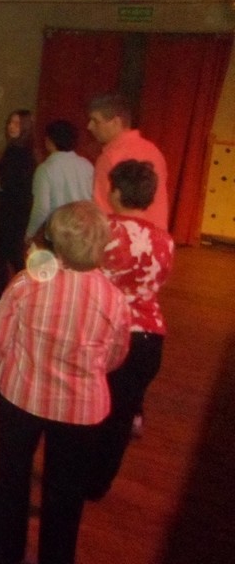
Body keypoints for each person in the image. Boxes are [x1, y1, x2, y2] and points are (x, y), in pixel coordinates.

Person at [0, 201, 130, 564]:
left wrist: (13, 369)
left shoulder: (28, 283)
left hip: (22, 396)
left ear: (55, 240)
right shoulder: (114, 298)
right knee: (66, 492)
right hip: (82, 409)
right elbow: (116, 356)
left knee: (9, 480)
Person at [85, 160, 175, 500]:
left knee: (90, 412)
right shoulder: (165, 240)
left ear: (118, 192)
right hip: (149, 336)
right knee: (121, 418)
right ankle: (98, 483)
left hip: (107, 334)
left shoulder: (103, 232)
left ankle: (75, 478)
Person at [87, 92, 168, 231]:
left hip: (122, 237)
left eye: (95, 121)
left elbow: (102, 210)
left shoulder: (110, 157)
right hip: (155, 234)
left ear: (116, 122)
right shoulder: (153, 150)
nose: (89, 126)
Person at [0, 110, 36, 304]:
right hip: (13, 207)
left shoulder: (19, 152)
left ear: (25, 127)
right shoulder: (19, 149)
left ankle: (4, 299)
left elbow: (13, 183)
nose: (11, 126)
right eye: (10, 122)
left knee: (6, 255)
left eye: (17, 123)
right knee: (8, 254)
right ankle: (9, 298)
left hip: (11, 208)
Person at [25, 119, 94, 241]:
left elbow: (42, 208)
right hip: (83, 231)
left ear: (49, 141)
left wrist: (29, 233)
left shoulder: (45, 169)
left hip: (58, 232)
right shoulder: (87, 165)